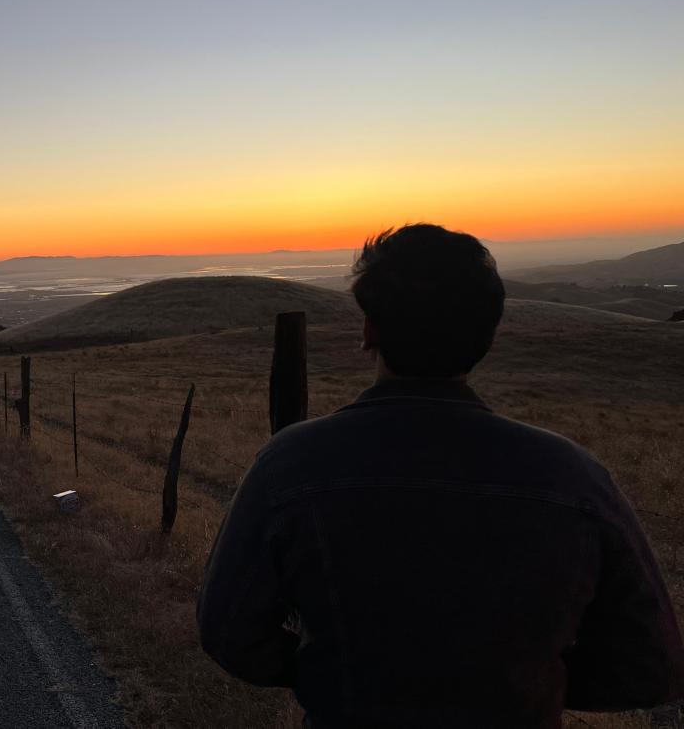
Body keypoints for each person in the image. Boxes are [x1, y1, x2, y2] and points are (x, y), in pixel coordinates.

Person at [197, 224, 683, 729]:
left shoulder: (290, 465)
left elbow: (229, 633)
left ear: (369, 331)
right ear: (488, 337)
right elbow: (653, 667)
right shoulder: (574, 478)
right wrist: (530, 683)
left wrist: (328, 674)